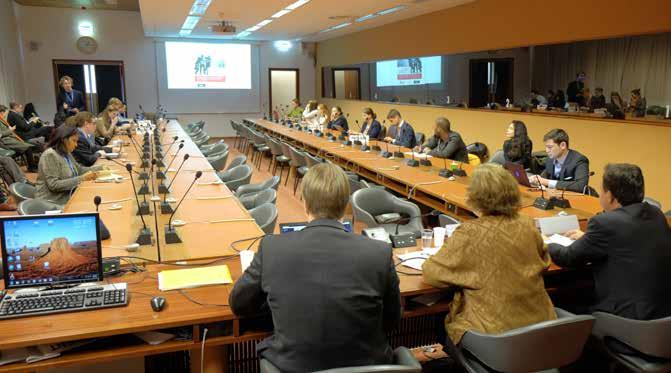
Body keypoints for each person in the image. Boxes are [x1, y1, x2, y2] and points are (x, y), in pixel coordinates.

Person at [229, 163, 401, 372]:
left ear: (305, 202)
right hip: (367, 365)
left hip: (292, 366)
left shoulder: (273, 248)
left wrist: (281, 306)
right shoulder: (379, 252)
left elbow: (239, 304)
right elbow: (392, 319)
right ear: (346, 202)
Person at [422, 164, 556, 346]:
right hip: (538, 327)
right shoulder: (527, 224)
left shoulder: (470, 231)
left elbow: (432, 274)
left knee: (440, 324)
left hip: (493, 335)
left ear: (475, 196)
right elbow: (544, 261)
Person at [549, 164, 671, 320]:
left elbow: (568, 257)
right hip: (662, 313)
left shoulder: (605, 222)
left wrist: (546, 242)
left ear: (610, 195)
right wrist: (587, 238)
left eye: (602, 190)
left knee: (558, 302)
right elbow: (626, 240)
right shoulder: (656, 214)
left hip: (628, 319)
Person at [35, 125, 104, 205]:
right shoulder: (50, 155)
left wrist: (100, 168)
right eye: (74, 141)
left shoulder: (66, 153)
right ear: (64, 140)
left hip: (68, 195)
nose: (76, 145)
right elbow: (54, 185)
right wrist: (82, 178)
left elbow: (79, 170)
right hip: (53, 202)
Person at [0, 105, 39, 172]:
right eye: (5, 113)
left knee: (29, 146)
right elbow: (1, 134)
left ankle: (32, 165)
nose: (6, 115)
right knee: (28, 147)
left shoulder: (1, 120)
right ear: (2, 113)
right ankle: (31, 167)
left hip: (10, 139)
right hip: (6, 141)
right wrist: (10, 130)